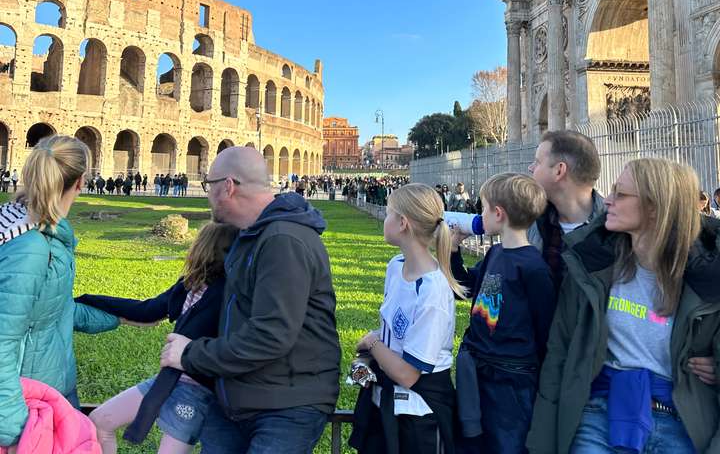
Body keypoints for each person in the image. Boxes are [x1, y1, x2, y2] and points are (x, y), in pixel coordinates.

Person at [527, 158, 720, 453]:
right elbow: (559, 354)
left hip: (682, 423)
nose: (608, 200)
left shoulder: (709, 277)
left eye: (621, 193)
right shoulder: (589, 264)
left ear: (655, 207)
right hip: (598, 413)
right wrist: (543, 442)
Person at [160, 146, 341, 454]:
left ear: (227, 186)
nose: (207, 193)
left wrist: (191, 354)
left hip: (285, 405)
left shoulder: (283, 240)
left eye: (209, 184)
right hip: (242, 396)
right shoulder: (252, 235)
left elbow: (271, 335)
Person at [0, 135, 119, 449]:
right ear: (81, 182)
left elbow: (54, 309)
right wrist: (15, 432)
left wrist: (121, 317)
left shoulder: (28, 227)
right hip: (29, 405)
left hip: (47, 391)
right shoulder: (30, 248)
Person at [80, 223, 237, 454]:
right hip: (169, 379)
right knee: (100, 421)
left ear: (204, 247)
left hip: (198, 391)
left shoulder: (229, 292)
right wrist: (87, 299)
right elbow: (148, 310)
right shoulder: (190, 284)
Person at [349, 183, 463, 454]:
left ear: (403, 223)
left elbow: (408, 375)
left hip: (417, 417)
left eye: (389, 213)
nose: (384, 218)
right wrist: (367, 358)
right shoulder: (395, 266)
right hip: (382, 404)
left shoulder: (432, 290)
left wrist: (372, 343)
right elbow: (392, 333)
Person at [451, 173, 554, 454]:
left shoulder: (533, 267)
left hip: (511, 381)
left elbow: (544, 327)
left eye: (483, 208)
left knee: (506, 445)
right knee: (472, 443)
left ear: (498, 214)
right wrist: (453, 249)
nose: (479, 215)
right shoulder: (494, 254)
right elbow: (464, 288)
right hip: (478, 370)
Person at [528, 130, 605, 290]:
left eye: (537, 162)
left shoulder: (614, 231)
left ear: (559, 171)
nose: (530, 168)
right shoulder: (529, 220)